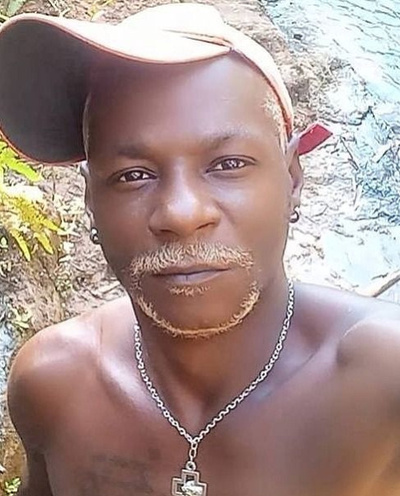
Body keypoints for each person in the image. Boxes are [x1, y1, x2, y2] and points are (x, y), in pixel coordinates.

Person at [0, 3, 399, 496]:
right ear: (90, 201)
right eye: (133, 175)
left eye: (228, 164)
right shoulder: (53, 385)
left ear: (293, 179)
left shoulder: (385, 382)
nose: (182, 213)